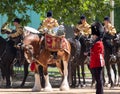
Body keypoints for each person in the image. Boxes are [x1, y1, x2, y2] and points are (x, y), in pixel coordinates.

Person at [89, 22, 105, 94]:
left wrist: (90, 52)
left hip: (97, 63)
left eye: (94, 35)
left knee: (99, 80)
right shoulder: (96, 43)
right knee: (98, 80)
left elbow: (96, 53)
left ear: (97, 35)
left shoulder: (98, 43)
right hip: (95, 63)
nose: (93, 36)